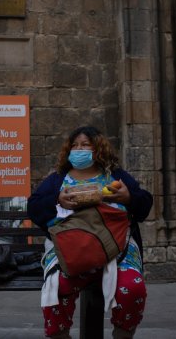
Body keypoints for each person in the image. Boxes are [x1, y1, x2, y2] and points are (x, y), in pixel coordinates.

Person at [27, 126, 153, 339]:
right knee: (57, 287)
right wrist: (57, 199)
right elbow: (34, 207)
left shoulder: (115, 176)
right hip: (71, 248)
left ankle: (123, 334)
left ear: (98, 149)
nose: (79, 150)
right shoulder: (58, 179)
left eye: (85, 145)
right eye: (75, 146)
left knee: (132, 287)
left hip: (116, 246)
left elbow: (145, 204)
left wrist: (128, 198)